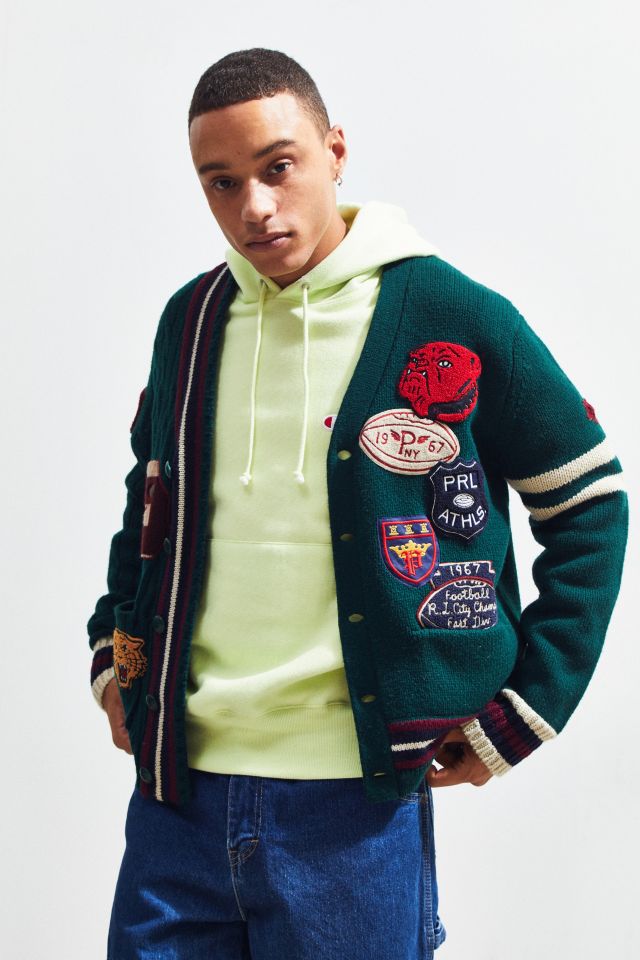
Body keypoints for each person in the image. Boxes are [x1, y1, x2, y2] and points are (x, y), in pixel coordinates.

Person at [87, 47, 628, 959]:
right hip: (177, 797)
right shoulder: (191, 321)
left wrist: (529, 706)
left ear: (335, 152)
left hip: (355, 813)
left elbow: (590, 503)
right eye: (222, 183)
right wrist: (115, 655)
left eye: (278, 167)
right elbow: (148, 506)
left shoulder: (450, 312)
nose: (255, 207)